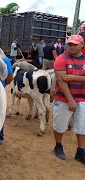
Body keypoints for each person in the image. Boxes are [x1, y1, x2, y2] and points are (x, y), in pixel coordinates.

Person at [53, 34, 85, 165]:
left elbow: (66, 78)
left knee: (82, 126)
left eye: (74, 44)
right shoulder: (61, 59)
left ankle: (81, 151)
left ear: (82, 45)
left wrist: (73, 77)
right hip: (63, 98)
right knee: (60, 125)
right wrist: (70, 100)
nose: (71, 46)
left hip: (82, 98)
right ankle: (58, 145)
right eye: (70, 44)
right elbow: (61, 81)